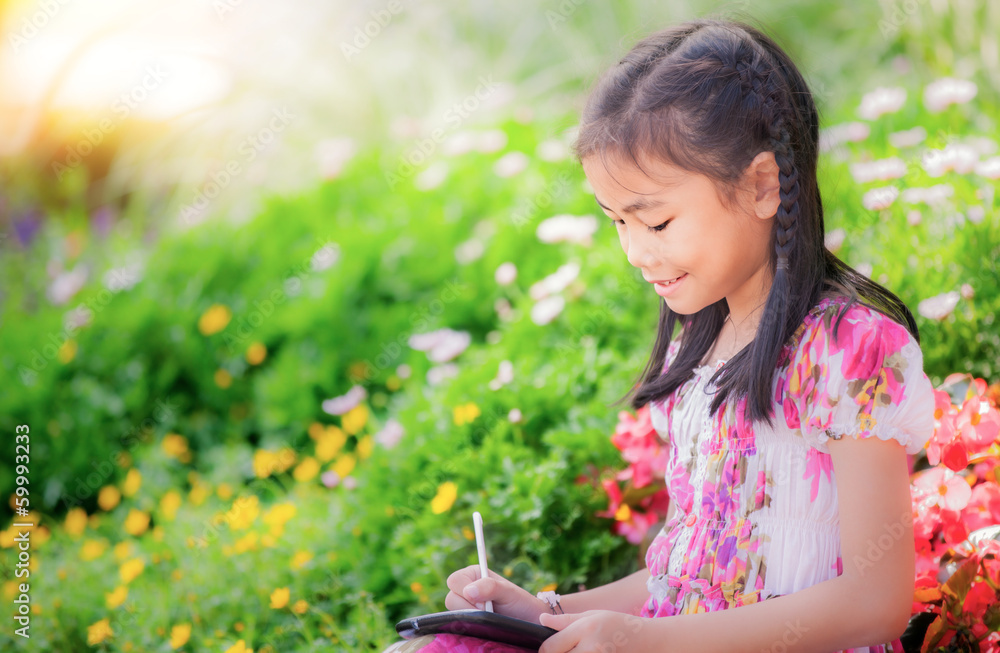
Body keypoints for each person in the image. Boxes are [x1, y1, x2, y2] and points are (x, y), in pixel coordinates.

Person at [383, 16, 935, 653]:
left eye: (657, 221)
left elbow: (876, 603)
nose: (635, 253)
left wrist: (651, 642)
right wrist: (542, 612)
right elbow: (683, 577)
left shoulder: (849, 352)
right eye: (618, 222)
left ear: (762, 185)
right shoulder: (700, 351)